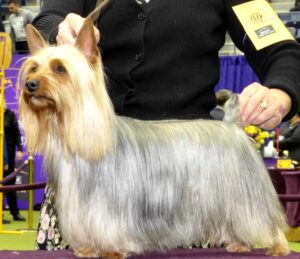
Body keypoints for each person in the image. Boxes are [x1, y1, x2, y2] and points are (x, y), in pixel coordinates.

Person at [31, 0, 300, 250]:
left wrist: (280, 93)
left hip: (200, 187)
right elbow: (47, 20)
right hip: (85, 172)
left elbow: (280, 49)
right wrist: (60, 30)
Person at [3, 108, 25, 221]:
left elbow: (17, 133)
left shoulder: (10, 114)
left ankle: (15, 213)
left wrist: (20, 149)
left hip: (9, 154)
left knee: (10, 183)